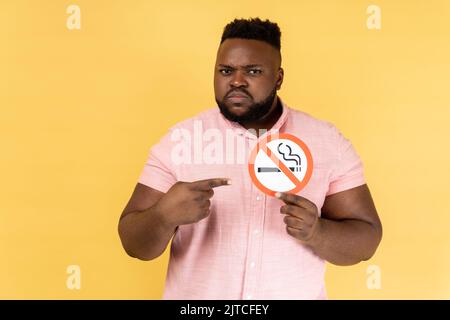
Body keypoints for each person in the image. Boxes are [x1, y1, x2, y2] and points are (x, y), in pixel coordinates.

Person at [118, 18, 382, 300]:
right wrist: (163, 216)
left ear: (278, 78)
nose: (236, 81)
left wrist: (317, 232)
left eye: (253, 71)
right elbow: (133, 244)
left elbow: (366, 240)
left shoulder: (327, 142)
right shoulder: (180, 141)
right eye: (226, 70)